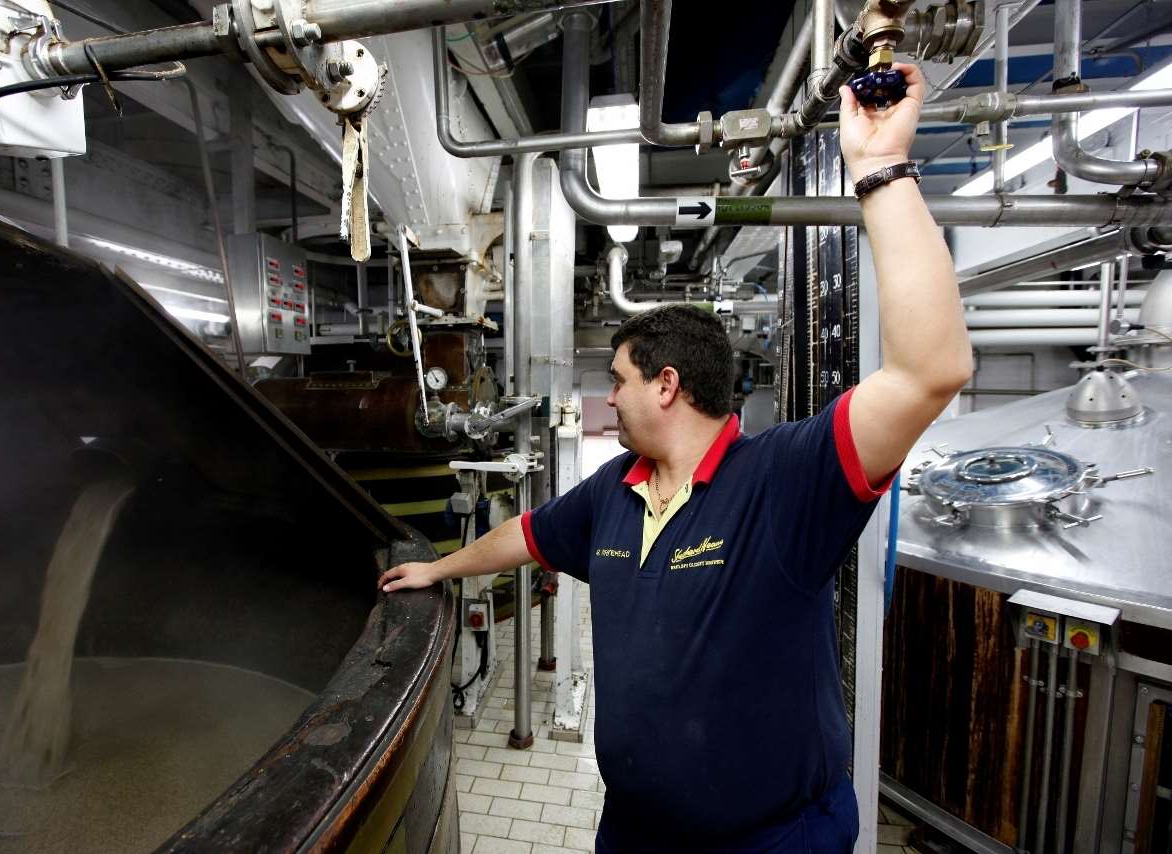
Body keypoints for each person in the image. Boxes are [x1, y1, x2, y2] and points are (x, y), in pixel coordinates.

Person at [377, 64, 972, 853]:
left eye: (617, 382)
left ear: (667, 385)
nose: (609, 399)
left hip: (770, 840)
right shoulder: (612, 495)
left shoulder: (783, 482)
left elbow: (929, 370)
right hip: (635, 832)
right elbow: (526, 534)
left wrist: (881, 169)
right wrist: (440, 571)